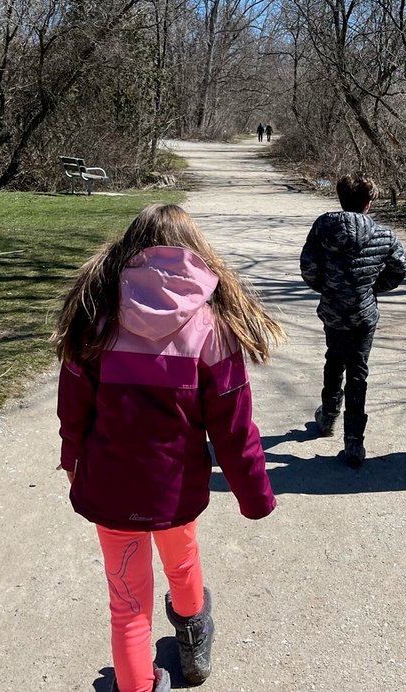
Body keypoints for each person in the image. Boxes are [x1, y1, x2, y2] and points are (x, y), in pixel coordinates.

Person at [54, 204, 285, 692]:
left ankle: (137, 685)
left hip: (110, 486)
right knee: (181, 563)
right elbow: (234, 425)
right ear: (194, 253)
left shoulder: (96, 315)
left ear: (128, 250)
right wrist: (254, 494)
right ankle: (194, 636)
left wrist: (71, 457)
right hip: (174, 489)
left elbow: (72, 403)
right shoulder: (212, 328)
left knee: (127, 601)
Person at [299, 173, 406, 467]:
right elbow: (399, 269)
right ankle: (354, 442)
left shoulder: (323, 226)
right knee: (358, 370)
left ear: (340, 198)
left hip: (334, 310)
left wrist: (329, 288)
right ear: (369, 204)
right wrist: (372, 288)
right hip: (363, 312)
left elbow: (308, 266)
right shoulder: (385, 235)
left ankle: (328, 418)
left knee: (334, 359)